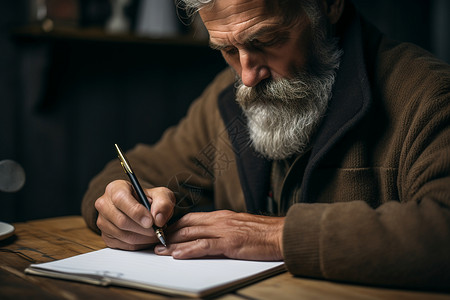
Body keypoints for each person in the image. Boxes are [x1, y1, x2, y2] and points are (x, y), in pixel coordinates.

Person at [82, 0, 450, 291]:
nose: (246, 75)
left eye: (266, 40)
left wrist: (275, 235)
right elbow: (133, 172)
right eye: (227, 49)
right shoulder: (228, 101)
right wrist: (121, 204)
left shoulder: (428, 95)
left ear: (329, 5)